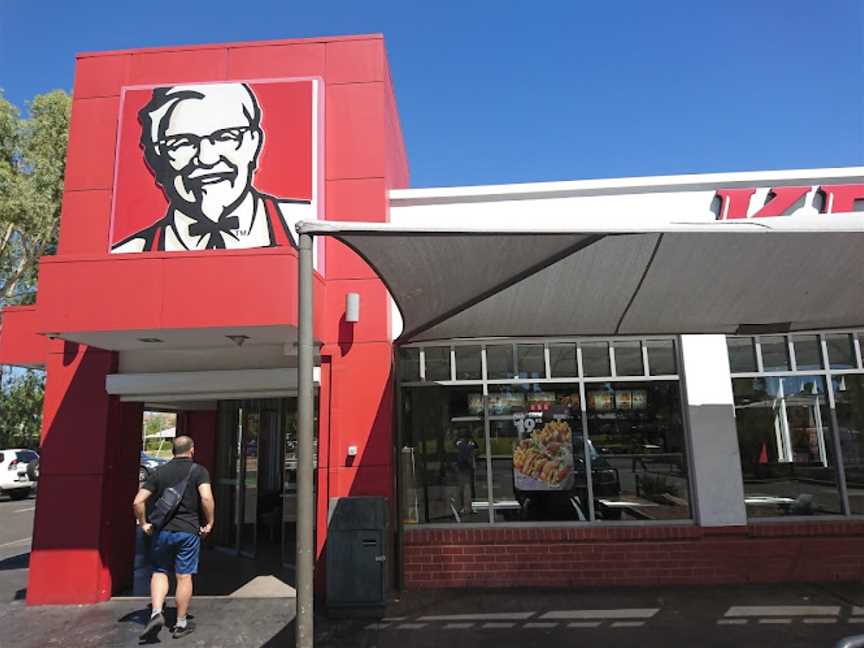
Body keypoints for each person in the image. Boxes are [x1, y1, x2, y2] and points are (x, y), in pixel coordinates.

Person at [112, 82, 314, 253]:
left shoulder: (309, 228)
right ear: (156, 157)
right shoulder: (128, 254)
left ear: (254, 143)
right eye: (182, 142)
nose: (206, 158)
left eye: (225, 137)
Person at [133, 436, 214, 640]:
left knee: (159, 572)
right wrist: (210, 522)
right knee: (184, 576)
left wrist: (143, 523)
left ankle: (156, 612)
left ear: (172, 451)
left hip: (162, 531)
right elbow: (206, 497)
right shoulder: (199, 471)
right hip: (188, 531)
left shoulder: (159, 472)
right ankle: (180, 623)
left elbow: (138, 501)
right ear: (192, 450)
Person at [455, 431, 479, 515]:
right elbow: (476, 449)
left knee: (464, 488)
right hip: (467, 467)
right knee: (468, 488)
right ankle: (469, 507)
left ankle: (466, 507)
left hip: (465, 467)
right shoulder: (469, 444)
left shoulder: (460, 443)